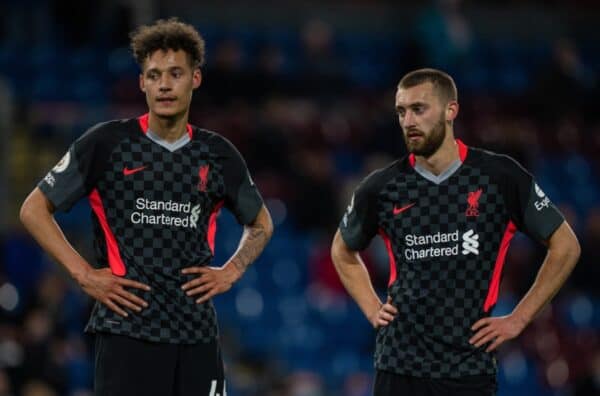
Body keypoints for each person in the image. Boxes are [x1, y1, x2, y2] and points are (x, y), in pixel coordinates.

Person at [19, 18, 273, 396]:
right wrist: (84, 274)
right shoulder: (106, 143)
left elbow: (262, 223)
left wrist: (232, 270)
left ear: (195, 79)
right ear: (142, 83)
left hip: (196, 333)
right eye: (154, 75)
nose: (165, 84)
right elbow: (33, 209)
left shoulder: (218, 154)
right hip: (127, 331)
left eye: (175, 73)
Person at [331, 68, 580, 396]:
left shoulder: (498, 177)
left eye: (419, 109)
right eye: (401, 112)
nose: (408, 121)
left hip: (467, 370)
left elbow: (566, 246)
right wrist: (371, 307)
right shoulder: (381, 187)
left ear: (451, 110)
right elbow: (342, 250)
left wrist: (519, 318)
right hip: (398, 368)